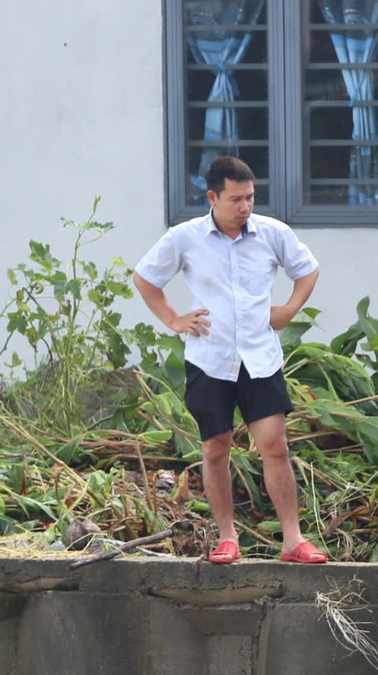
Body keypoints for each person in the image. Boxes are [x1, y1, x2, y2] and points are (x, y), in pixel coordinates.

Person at [133, 155, 329, 565]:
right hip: (210, 359)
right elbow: (145, 277)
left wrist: (290, 309)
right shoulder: (184, 237)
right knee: (216, 449)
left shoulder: (272, 233)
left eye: (251, 197)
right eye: (236, 199)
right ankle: (227, 538)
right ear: (212, 197)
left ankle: (293, 540)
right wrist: (173, 319)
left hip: (260, 357)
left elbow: (307, 271)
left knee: (275, 446)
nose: (245, 207)